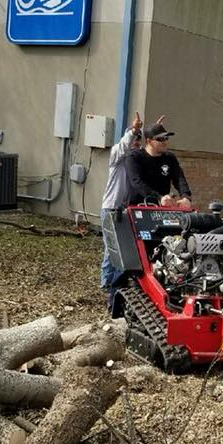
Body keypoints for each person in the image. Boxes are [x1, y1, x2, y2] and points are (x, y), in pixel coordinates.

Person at [99, 111, 143, 305]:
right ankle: (107, 283)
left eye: (139, 141)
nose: (136, 143)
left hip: (126, 211)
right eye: (134, 140)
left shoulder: (135, 161)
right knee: (112, 248)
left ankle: (114, 283)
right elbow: (125, 144)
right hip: (111, 208)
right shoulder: (117, 156)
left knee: (122, 249)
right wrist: (134, 130)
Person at [124, 122, 192, 208]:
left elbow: (179, 178)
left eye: (166, 138)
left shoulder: (170, 158)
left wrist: (186, 196)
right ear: (149, 141)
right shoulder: (134, 157)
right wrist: (158, 198)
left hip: (162, 209)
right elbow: (137, 182)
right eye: (160, 139)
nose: (165, 142)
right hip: (138, 208)